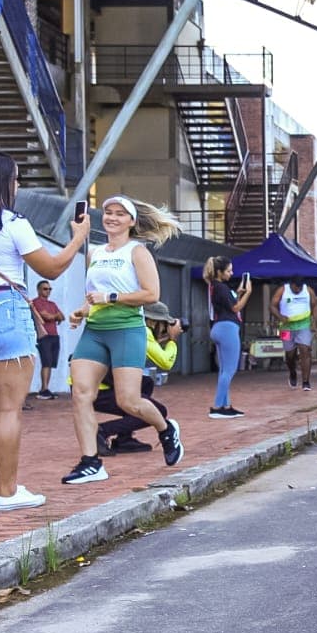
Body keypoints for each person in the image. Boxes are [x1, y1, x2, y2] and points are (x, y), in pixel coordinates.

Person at [0, 152, 90, 511]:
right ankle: (8, 492)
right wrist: (78, 238)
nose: (18, 185)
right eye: (15, 178)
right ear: (3, 183)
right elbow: (52, 269)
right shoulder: (11, 222)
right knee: (9, 408)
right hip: (4, 310)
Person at [65, 196, 185, 484]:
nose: (112, 218)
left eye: (120, 214)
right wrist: (82, 311)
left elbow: (151, 295)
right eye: (108, 213)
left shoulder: (138, 252)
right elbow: (93, 295)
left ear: (131, 221)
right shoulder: (94, 252)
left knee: (129, 401)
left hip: (127, 329)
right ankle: (91, 462)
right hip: (95, 330)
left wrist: (112, 297)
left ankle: (166, 429)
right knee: (81, 395)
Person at [95, 301, 182, 456]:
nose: (164, 328)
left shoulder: (127, 326)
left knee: (146, 383)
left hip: (93, 384)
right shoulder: (142, 330)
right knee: (158, 412)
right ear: (153, 321)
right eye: (163, 324)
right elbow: (166, 362)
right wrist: (172, 340)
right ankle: (102, 431)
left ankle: (124, 438)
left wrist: (162, 339)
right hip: (98, 391)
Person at [203, 255, 249, 418]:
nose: (231, 273)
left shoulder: (216, 286)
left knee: (224, 370)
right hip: (227, 328)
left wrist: (238, 293)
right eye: (228, 271)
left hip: (219, 327)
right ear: (219, 272)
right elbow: (236, 308)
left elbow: (228, 304)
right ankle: (217, 407)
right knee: (230, 370)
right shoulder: (221, 287)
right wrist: (247, 293)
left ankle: (225, 405)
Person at [272, 278, 317, 395]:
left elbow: (315, 306)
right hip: (286, 326)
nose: (298, 289)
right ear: (291, 285)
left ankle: (306, 381)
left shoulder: (308, 290)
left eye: (300, 287)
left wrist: (314, 322)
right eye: (296, 287)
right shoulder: (282, 290)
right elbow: (272, 306)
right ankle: (292, 372)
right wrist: (280, 317)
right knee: (289, 354)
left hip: (304, 324)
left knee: (305, 350)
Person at [31, 279, 65, 399]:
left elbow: (62, 316)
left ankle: (45, 389)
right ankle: (43, 390)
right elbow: (46, 316)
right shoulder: (36, 302)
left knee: (50, 363)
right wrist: (55, 316)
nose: (48, 291)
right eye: (45, 289)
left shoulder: (52, 304)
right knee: (46, 362)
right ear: (39, 290)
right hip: (44, 336)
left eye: (50, 289)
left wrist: (54, 316)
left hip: (54, 335)